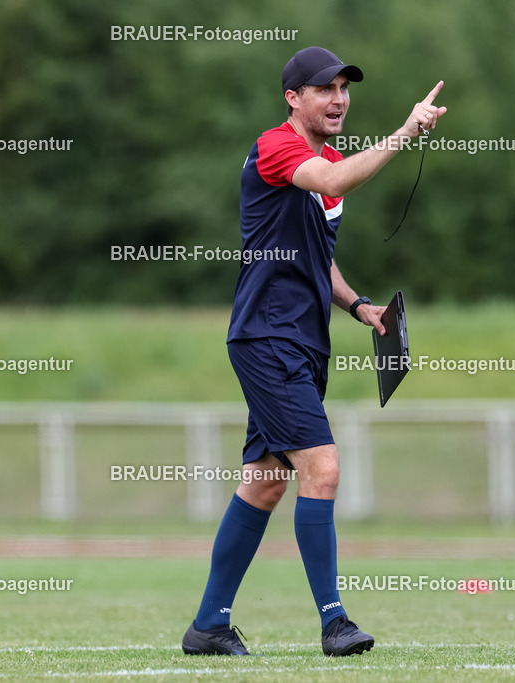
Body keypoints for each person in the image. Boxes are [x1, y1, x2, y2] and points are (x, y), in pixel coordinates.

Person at [182, 46, 446, 657]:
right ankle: (334, 622)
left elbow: (317, 258)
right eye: (324, 89)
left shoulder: (326, 159)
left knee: (265, 483)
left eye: (345, 88)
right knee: (321, 470)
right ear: (293, 99)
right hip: (267, 336)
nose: (339, 99)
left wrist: (361, 308)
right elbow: (330, 179)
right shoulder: (277, 147)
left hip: (300, 339)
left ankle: (208, 626)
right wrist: (404, 133)